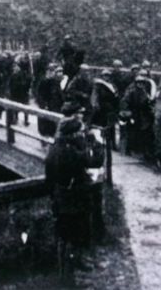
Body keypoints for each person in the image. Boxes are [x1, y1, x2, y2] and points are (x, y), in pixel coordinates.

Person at [45, 118, 98, 279]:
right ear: (73, 134)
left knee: (63, 234)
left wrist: (53, 196)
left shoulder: (54, 149)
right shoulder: (71, 151)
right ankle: (71, 269)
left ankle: (63, 270)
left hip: (60, 197)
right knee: (77, 232)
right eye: (80, 132)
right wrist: (95, 143)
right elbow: (92, 160)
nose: (82, 134)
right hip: (75, 198)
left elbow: (49, 177)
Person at [119, 75, 154, 159]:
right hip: (134, 114)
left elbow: (148, 103)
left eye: (142, 83)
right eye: (139, 83)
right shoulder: (131, 92)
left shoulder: (145, 92)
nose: (140, 84)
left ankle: (143, 150)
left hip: (143, 115)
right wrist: (128, 112)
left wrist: (151, 109)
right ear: (136, 83)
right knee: (132, 132)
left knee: (145, 132)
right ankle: (130, 149)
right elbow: (124, 102)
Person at [90, 69, 119, 150]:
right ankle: (100, 142)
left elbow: (116, 96)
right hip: (101, 109)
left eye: (108, 76)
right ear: (102, 76)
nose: (107, 77)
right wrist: (95, 105)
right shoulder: (99, 85)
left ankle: (113, 144)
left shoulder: (113, 85)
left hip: (111, 109)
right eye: (105, 75)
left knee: (111, 127)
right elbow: (95, 95)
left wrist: (117, 107)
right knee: (101, 126)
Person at [37, 65, 64, 137]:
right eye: (51, 71)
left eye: (53, 71)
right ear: (47, 71)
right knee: (44, 123)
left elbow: (59, 93)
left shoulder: (55, 81)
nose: (52, 73)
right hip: (46, 105)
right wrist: (44, 104)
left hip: (54, 105)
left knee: (52, 124)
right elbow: (40, 94)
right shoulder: (43, 81)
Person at [7, 60, 32, 126]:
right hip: (15, 94)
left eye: (16, 67)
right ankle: (16, 118)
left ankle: (26, 120)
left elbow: (27, 82)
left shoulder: (23, 74)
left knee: (25, 108)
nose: (15, 68)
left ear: (19, 68)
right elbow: (10, 84)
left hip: (23, 93)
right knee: (15, 108)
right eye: (14, 67)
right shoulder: (12, 75)